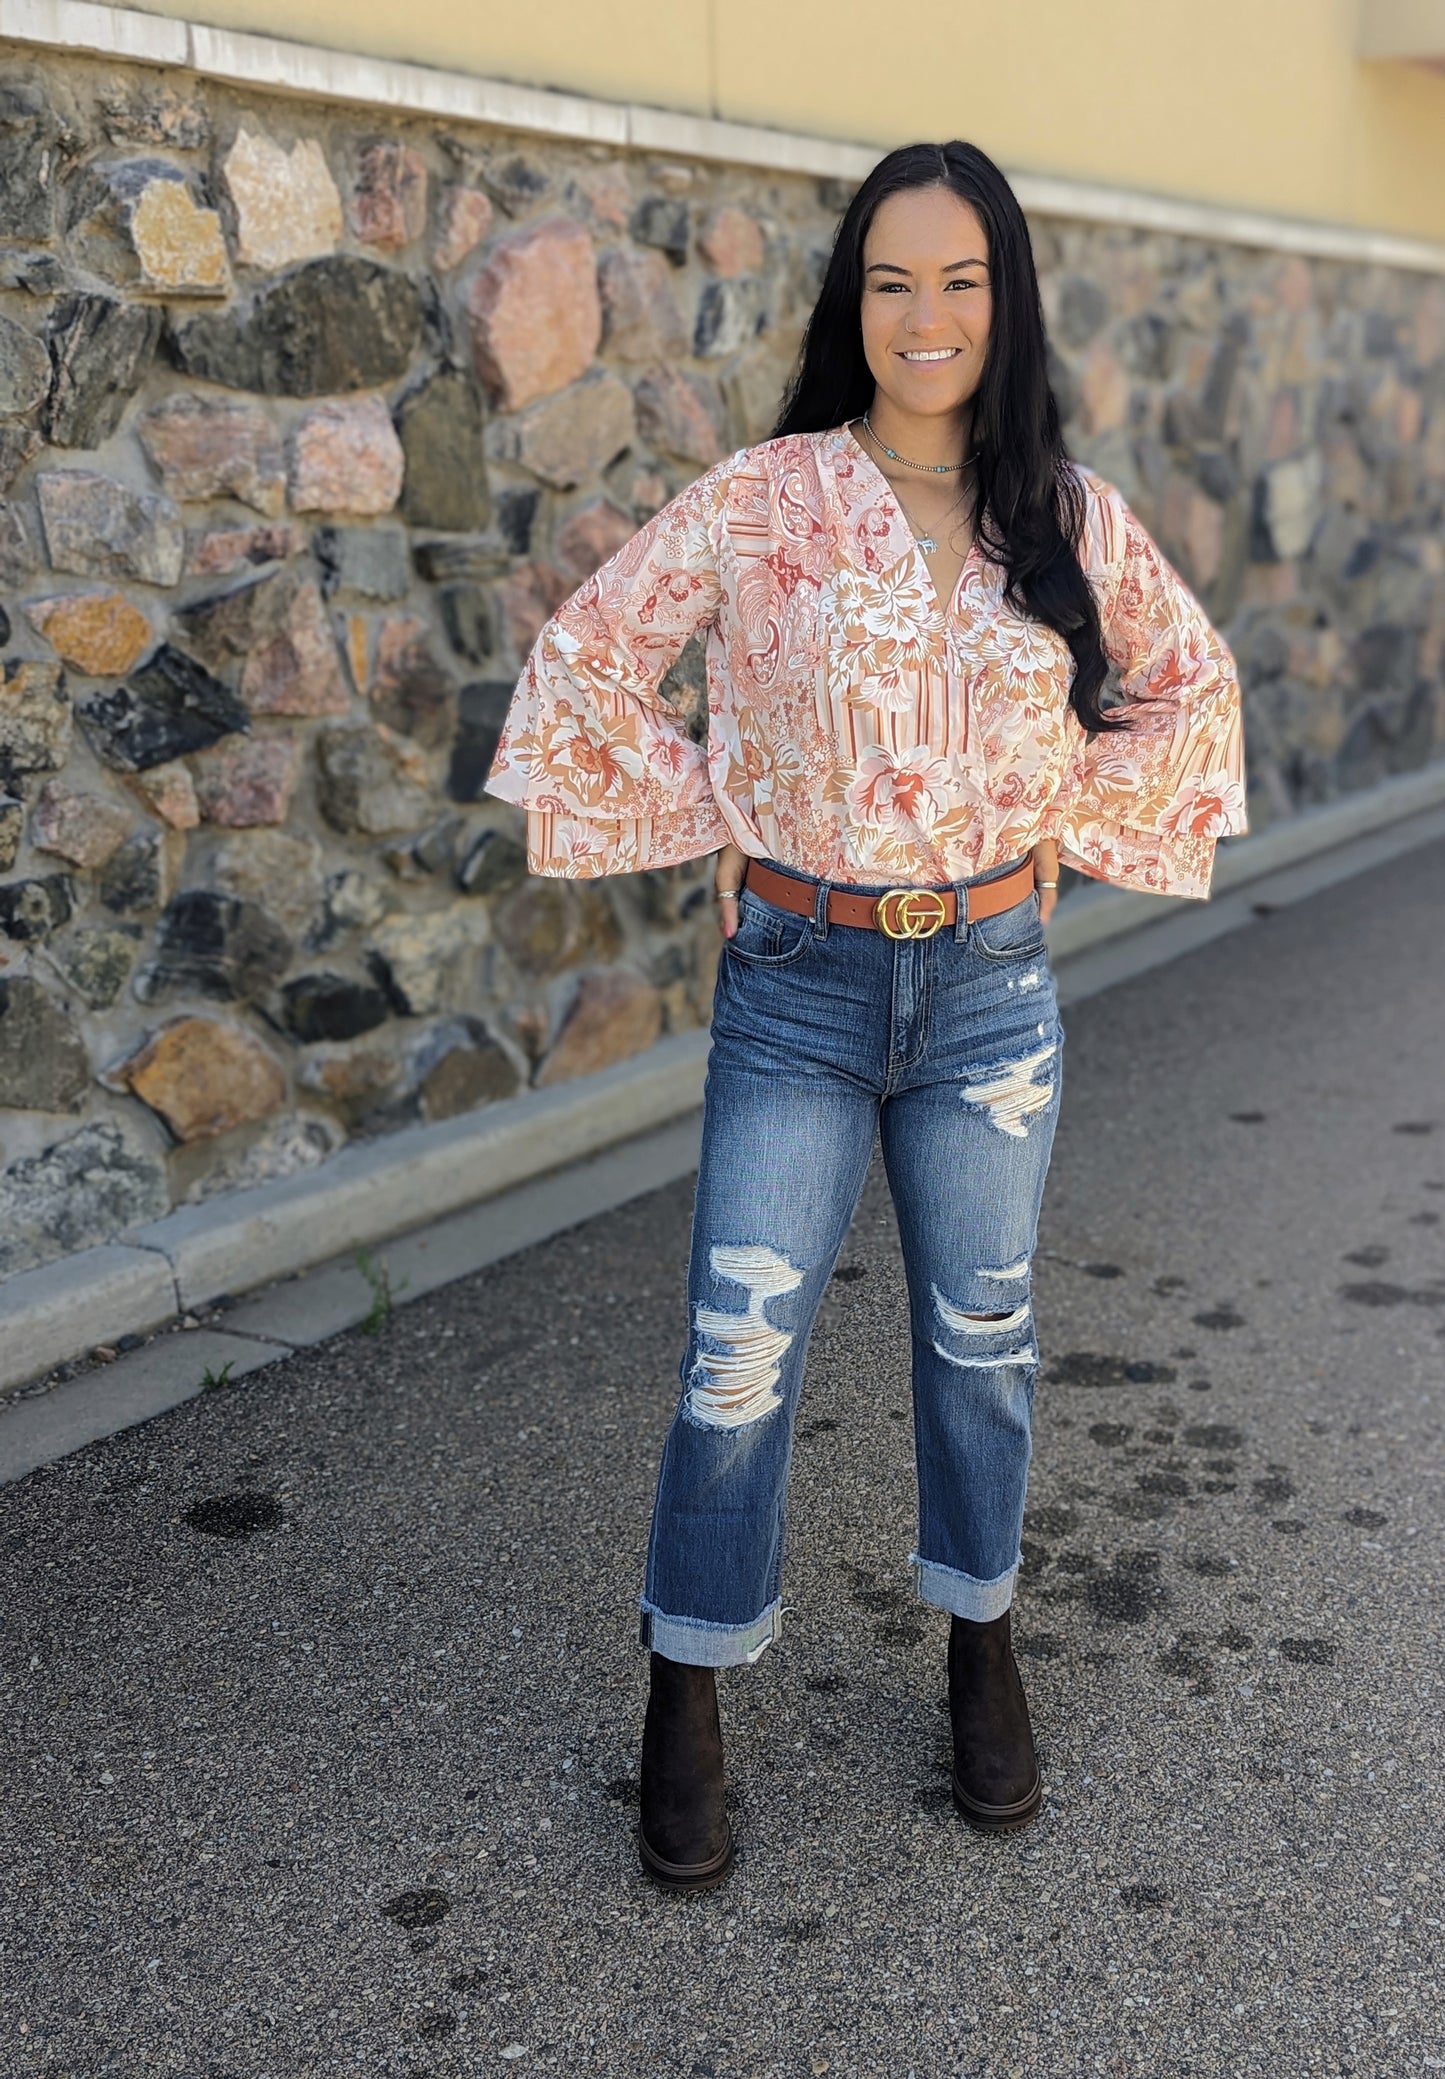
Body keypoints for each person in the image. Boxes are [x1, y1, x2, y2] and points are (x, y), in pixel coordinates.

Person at [484, 139, 1246, 1889]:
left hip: (986, 999)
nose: (927, 316)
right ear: (854, 301)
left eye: (961, 281)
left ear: (1005, 301)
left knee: (983, 1346)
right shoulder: (765, 499)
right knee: (734, 1361)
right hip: (800, 992)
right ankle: (685, 1689)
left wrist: (1059, 816)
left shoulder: (1058, 509)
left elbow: (1188, 687)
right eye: (893, 281)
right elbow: (588, 660)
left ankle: (980, 1640)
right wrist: (721, 813)